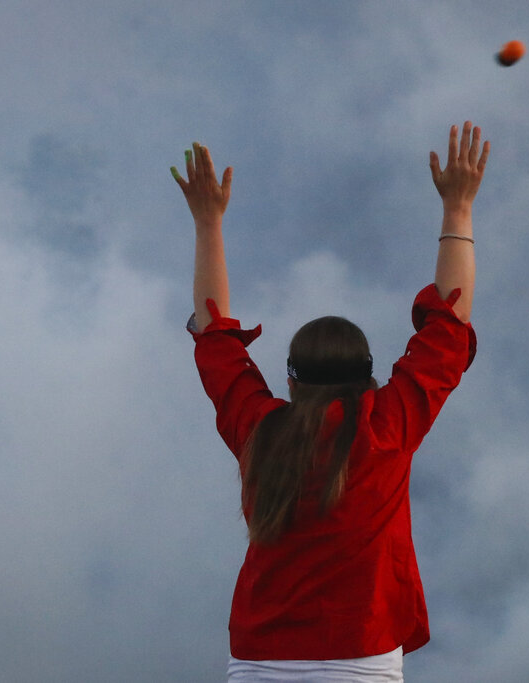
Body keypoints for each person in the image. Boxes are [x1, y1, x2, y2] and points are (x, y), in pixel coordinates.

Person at [173, 121, 488, 682]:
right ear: (367, 379)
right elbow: (449, 321)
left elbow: (215, 335)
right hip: (362, 657)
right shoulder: (387, 427)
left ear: (291, 382)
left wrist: (207, 222)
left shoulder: (259, 429)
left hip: (259, 659)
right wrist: (458, 208)